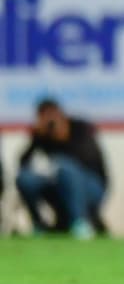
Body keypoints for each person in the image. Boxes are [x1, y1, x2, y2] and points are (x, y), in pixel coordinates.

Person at [15, 99, 108, 238]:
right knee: (25, 178)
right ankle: (38, 225)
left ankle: (80, 223)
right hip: (58, 186)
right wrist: (37, 138)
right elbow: (23, 163)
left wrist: (63, 136)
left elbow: (89, 159)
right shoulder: (42, 135)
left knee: (64, 167)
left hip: (90, 186)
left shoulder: (79, 127)